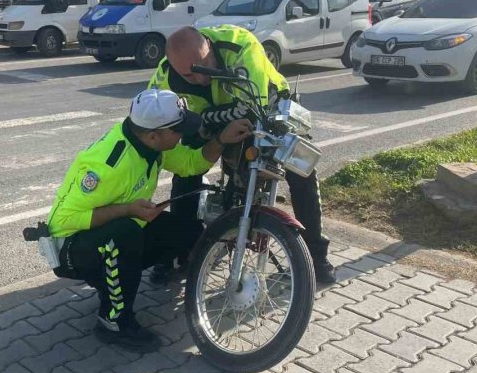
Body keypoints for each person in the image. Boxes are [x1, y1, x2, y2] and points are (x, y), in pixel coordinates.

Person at [47, 88, 252, 349]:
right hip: (73, 250)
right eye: (177, 130)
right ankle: (113, 321)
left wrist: (221, 139)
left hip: (115, 229)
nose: (182, 135)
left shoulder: (149, 143)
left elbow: (191, 164)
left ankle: (118, 279)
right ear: (155, 135)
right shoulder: (109, 166)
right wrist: (128, 210)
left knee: (189, 231)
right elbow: (61, 222)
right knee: (125, 234)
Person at [149, 25, 336, 285]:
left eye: (205, 65)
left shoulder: (240, 46)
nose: (201, 79)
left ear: (209, 46)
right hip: (214, 121)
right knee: (186, 170)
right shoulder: (165, 73)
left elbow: (251, 109)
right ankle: (183, 251)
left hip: (265, 108)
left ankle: (316, 256)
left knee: (299, 163)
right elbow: (155, 118)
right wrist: (207, 129)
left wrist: (202, 120)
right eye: (189, 77)